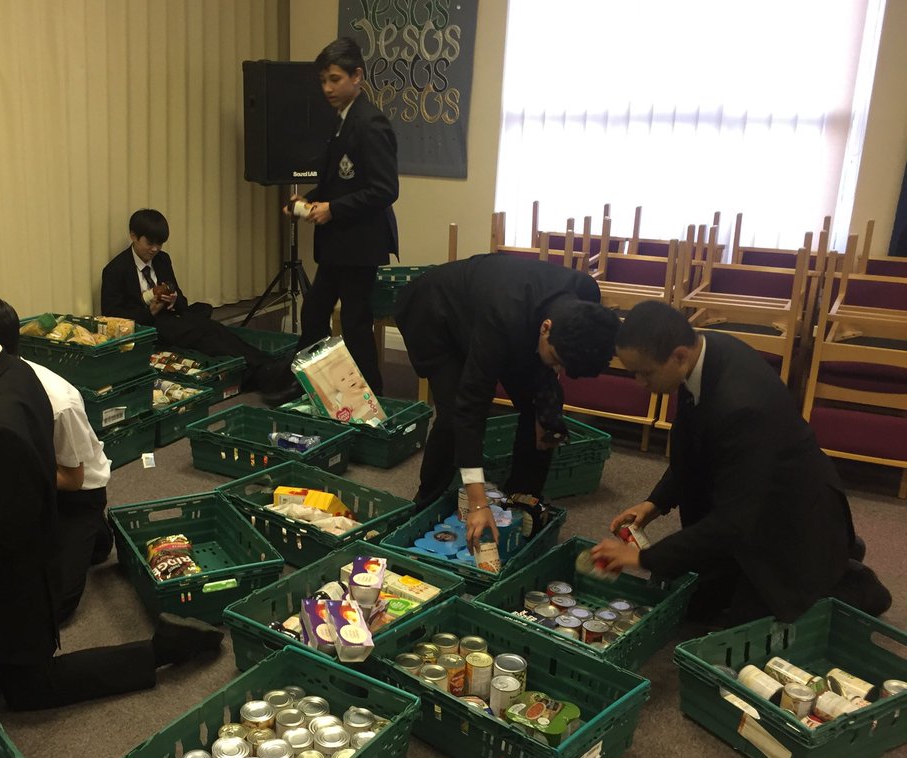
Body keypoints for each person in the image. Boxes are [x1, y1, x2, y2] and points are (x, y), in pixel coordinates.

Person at [0, 260, 222, 710]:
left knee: (30, 691)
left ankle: (166, 648)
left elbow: (5, 531)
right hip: (2, 545)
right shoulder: (2, 371)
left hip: (12, 581)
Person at [594, 301, 891, 625]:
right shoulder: (704, 351)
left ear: (678, 356)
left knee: (753, 623)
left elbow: (732, 522)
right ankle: (832, 557)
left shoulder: (740, 404)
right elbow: (696, 445)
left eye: (645, 373)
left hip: (792, 517)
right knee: (696, 608)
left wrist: (643, 557)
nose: (639, 383)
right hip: (749, 492)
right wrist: (655, 503)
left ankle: (848, 577)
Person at [395, 254, 618, 549]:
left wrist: (547, 411)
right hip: (437, 313)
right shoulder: (502, 320)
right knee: (453, 414)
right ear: (546, 328)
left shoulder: (586, 296)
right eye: (557, 360)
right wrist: (477, 502)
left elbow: (550, 370)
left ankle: (522, 500)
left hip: (507, 314)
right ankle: (425, 503)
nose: (558, 370)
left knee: (542, 411)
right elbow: (470, 409)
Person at [285, 36, 399, 396]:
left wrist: (332, 209)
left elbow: (384, 190)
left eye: (334, 79)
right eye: (323, 80)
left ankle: (373, 399)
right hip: (339, 244)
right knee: (315, 314)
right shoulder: (341, 120)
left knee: (354, 324)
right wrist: (309, 202)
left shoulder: (370, 123)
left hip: (360, 244)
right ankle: (311, 387)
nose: (327, 88)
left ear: (357, 77)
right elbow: (340, 184)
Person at [0, 296, 113, 623]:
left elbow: (73, 480)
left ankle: (95, 532)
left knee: (52, 604)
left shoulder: (59, 402)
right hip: (24, 484)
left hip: (74, 494)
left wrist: (11, 473)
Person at [100, 208, 289, 394]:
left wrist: (173, 300)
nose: (155, 249)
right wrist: (150, 312)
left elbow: (181, 298)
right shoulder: (116, 270)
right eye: (150, 243)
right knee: (203, 334)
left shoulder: (162, 260)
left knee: (215, 329)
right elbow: (112, 316)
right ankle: (266, 370)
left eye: (160, 244)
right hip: (148, 327)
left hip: (172, 316)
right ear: (133, 236)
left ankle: (268, 366)